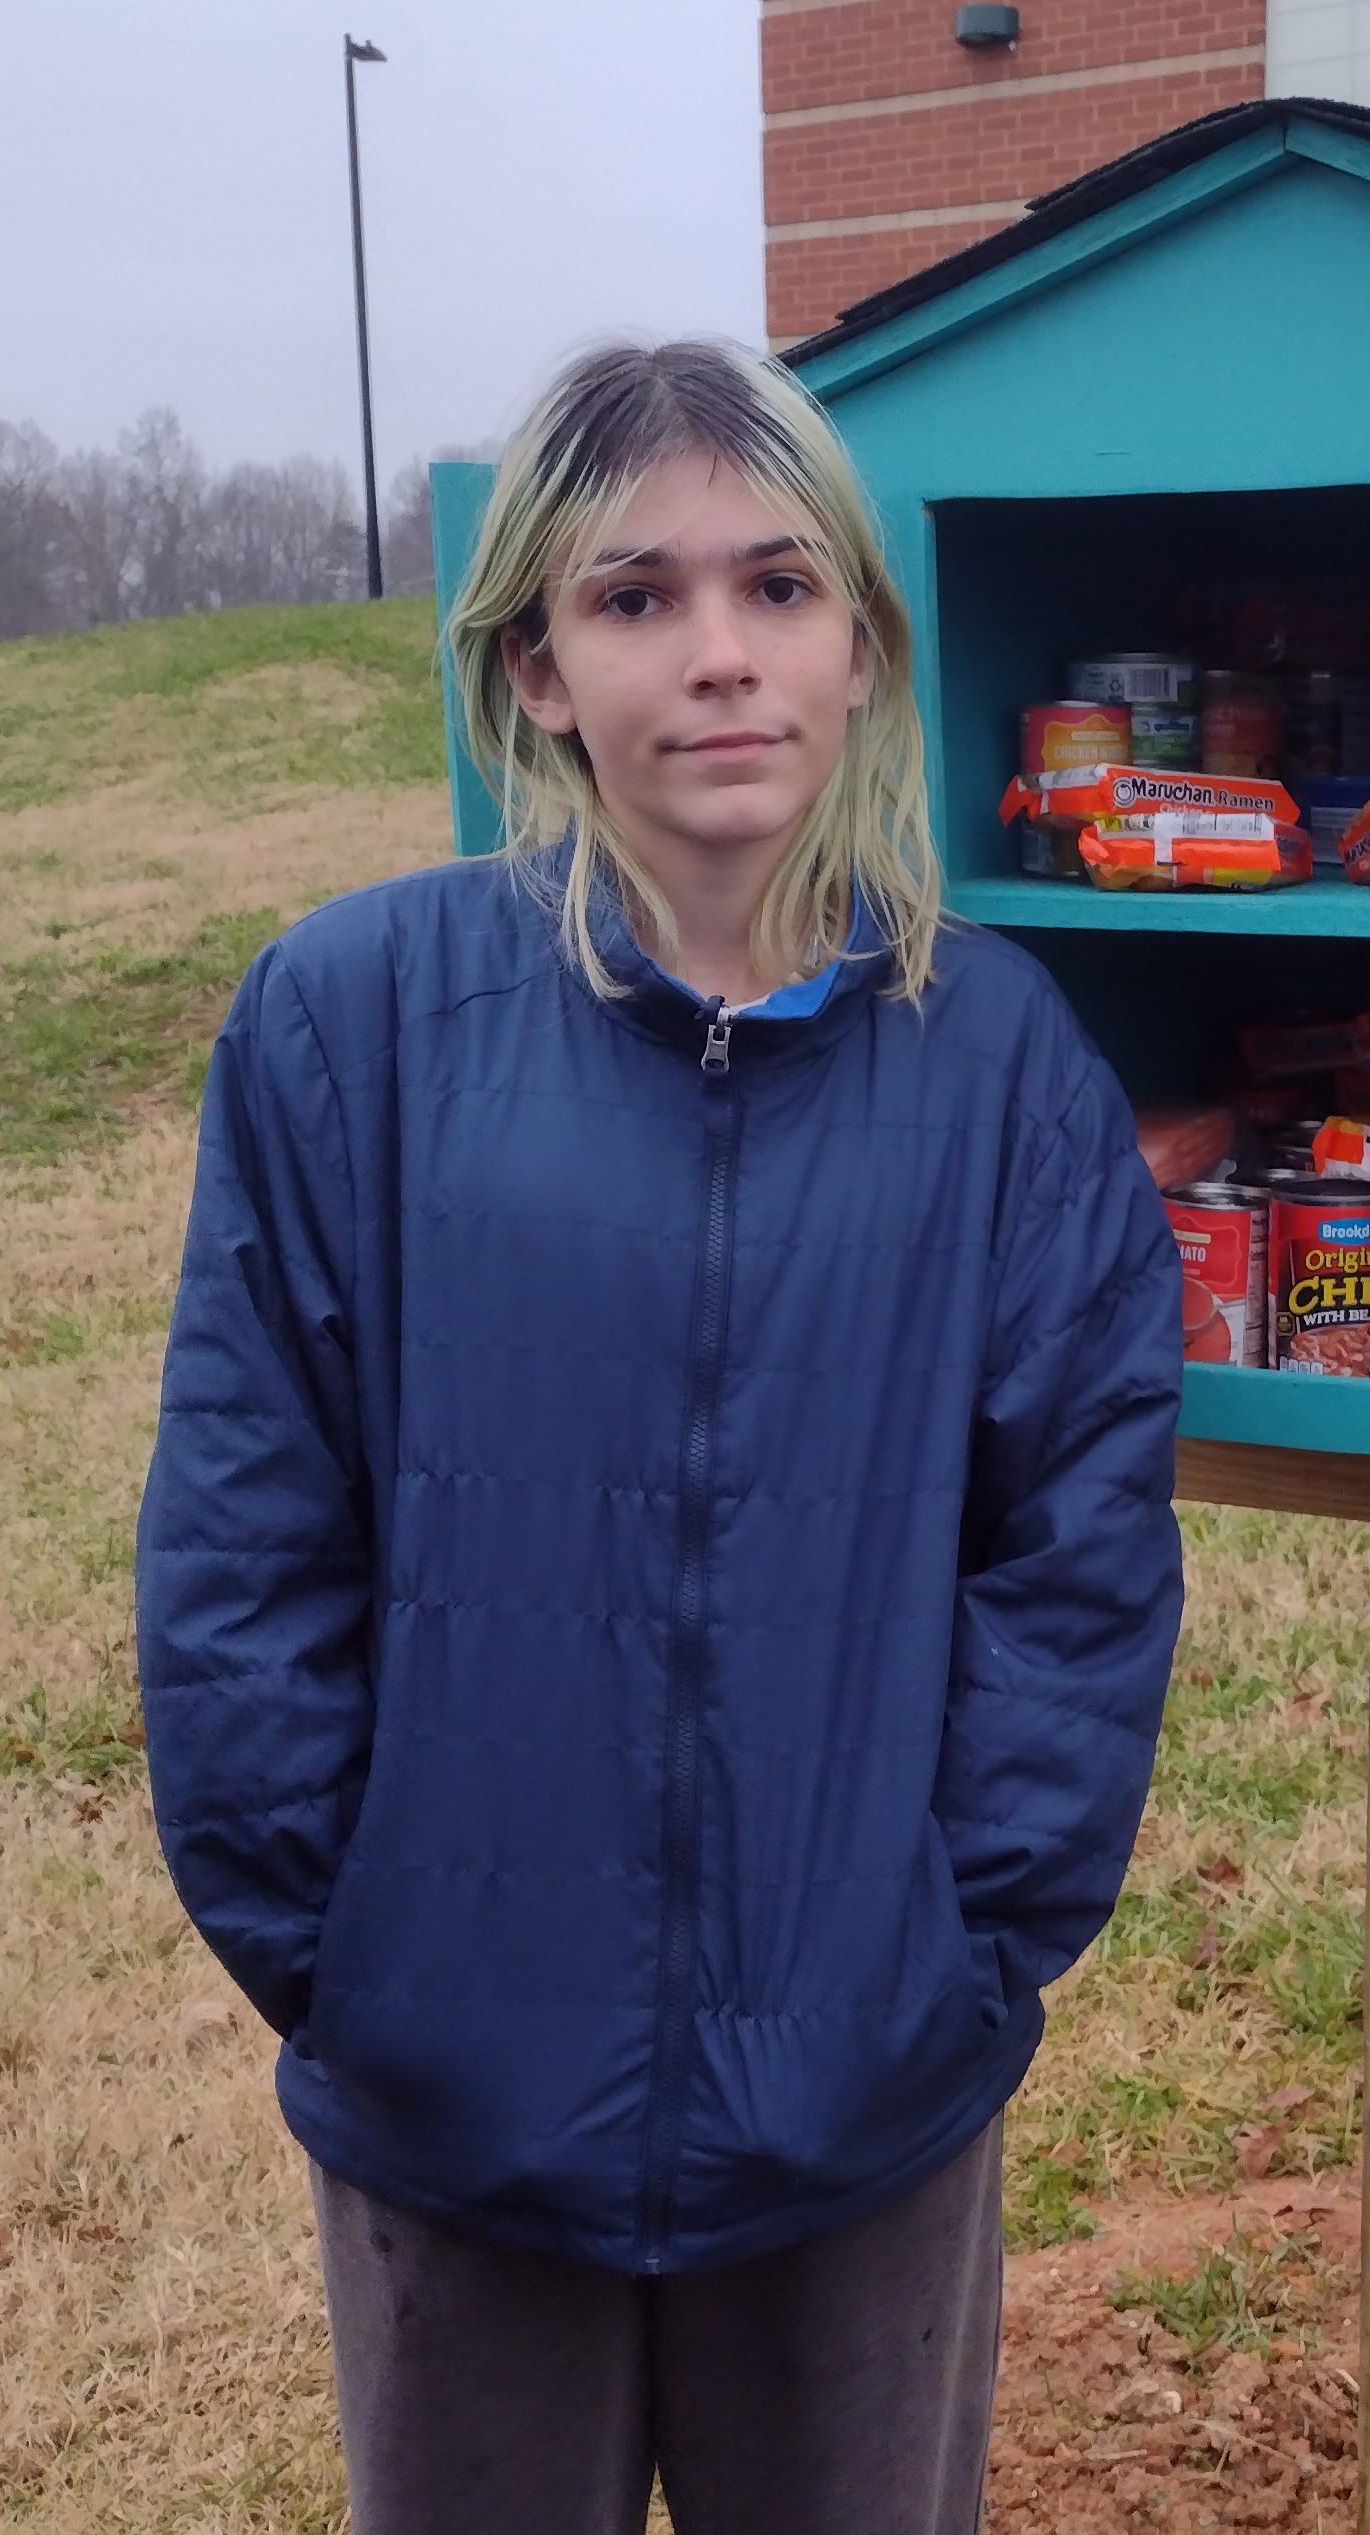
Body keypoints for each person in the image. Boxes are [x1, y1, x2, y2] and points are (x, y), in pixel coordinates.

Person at [135, 339, 1185, 2535]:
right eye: (633, 601)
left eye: (777, 588)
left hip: (859, 2103)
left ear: (862, 641)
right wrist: (354, 1964)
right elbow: (246, 1542)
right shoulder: (349, 1028)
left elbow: (1074, 1566)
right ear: (532, 664)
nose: (718, 659)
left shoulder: (995, 1069)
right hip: (454, 2098)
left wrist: (953, 1959)